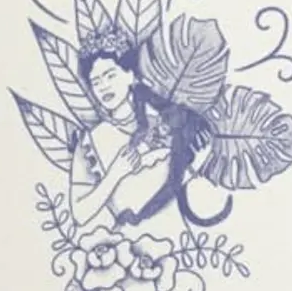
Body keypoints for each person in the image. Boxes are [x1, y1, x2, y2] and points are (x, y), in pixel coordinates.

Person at [69, 37, 229, 246]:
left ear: (129, 75)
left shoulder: (167, 121)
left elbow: (191, 167)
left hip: (180, 239)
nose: (103, 87)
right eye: (96, 82)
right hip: (126, 247)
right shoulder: (90, 141)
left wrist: (186, 164)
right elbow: (79, 214)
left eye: (110, 75)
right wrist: (115, 174)